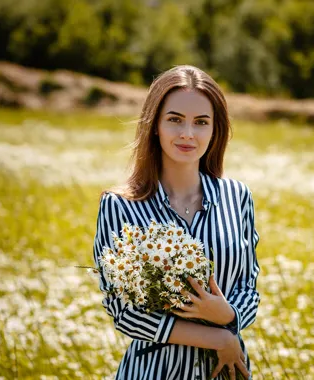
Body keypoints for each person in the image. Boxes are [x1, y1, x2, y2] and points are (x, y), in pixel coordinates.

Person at [92, 65, 261, 380]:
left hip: (225, 369)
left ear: (215, 130)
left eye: (201, 122)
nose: (187, 134)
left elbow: (248, 286)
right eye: (174, 120)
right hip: (153, 372)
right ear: (154, 124)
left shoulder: (238, 197)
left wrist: (228, 316)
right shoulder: (119, 206)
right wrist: (215, 337)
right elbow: (123, 312)